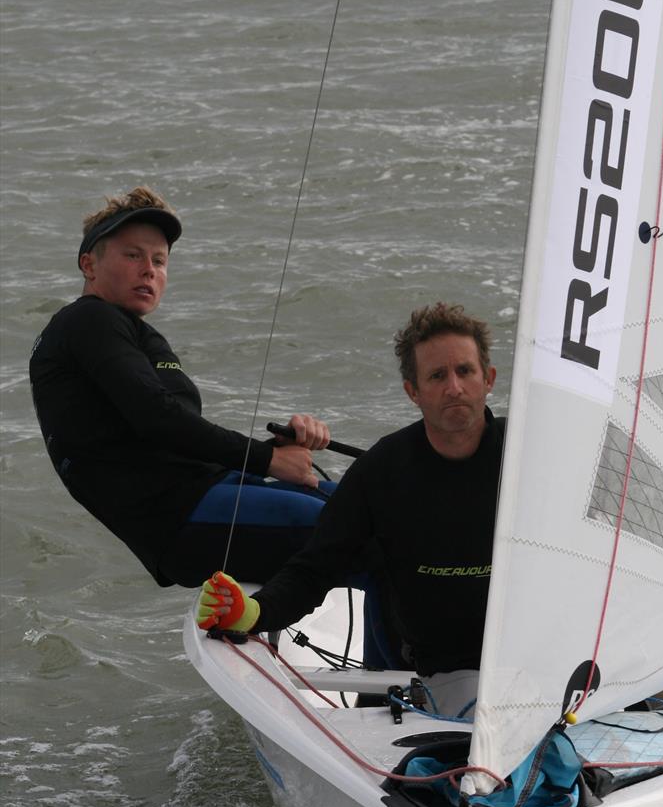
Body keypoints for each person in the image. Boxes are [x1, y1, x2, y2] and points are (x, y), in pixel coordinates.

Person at [198, 302, 505, 715]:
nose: (454, 387)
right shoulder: (383, 470)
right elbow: (317, 566)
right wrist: (253, 612)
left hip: (541, 662)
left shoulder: (531, 451)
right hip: (446, 673)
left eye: (465, 371)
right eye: (437, 375)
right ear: (412, 392)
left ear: (488, 379)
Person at [29, 186, 333, 588]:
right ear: (89, 264)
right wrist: (266, 459)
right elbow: (156, 417)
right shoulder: (86, 320)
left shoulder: (141, 336)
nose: (149, 269)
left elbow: (179, 430)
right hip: (179, 519)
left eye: (159, 260)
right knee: (352, 528)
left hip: (212, 489)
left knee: (357, 503)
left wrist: (279, 447)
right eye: (132, 255)